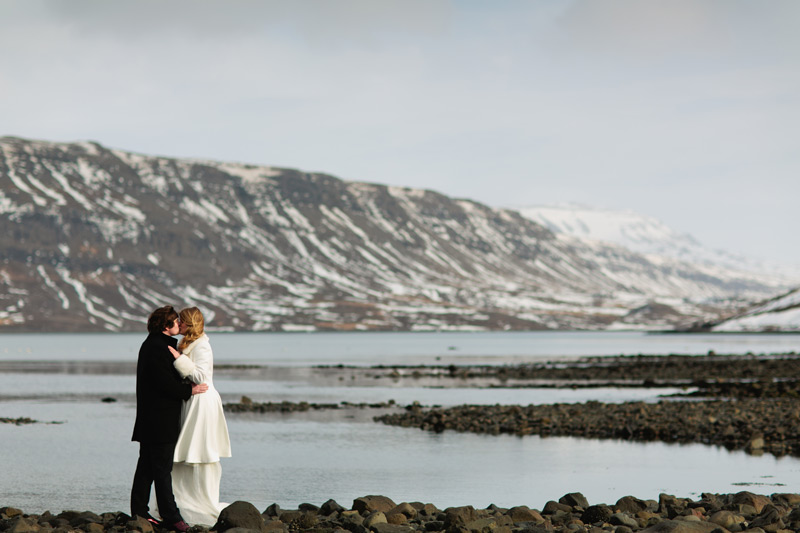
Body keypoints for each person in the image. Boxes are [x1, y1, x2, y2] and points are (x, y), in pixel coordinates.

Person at [131, 305, 208, 533]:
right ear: (166, 326)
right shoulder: (158, 347)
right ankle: (172, 517)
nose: (180, 325)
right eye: (176, 322)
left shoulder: (153, 344)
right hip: (160, 420)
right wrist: (189, 391)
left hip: (151, 418)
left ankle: (139, 512)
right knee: (162, 470)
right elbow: (163, 383)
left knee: (146, 466)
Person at [166, 306, 232, 526]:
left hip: (202, 401)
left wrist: (178, 358)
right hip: (192, 399)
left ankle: (202, 501)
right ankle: (184, 501)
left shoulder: (202, 345)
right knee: (187, 452)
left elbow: (201, 376)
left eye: (181, 322)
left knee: (202, 451)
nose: (179, 325)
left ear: (189, 323)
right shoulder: (189, 343)